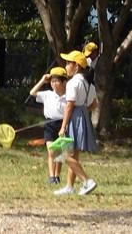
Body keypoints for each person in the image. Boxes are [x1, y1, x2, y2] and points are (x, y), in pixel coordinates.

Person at [54, 50, 98, 196]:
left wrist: (63, 125)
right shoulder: (89, 84)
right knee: (74, 154)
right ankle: (69, 186)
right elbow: (94, 104)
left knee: (66, 154)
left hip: (74, 117)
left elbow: (69, 105)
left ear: (77, 66)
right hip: (83, 116)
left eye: (68, 63)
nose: (66, 66)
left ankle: (87, 181)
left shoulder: (73, 83)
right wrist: (83, 110)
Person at [29, 67, 68, 185]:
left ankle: (57, 176)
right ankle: (51, 177)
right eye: (52, 81)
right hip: (49, 124)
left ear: (64, 82)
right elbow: (32, 93)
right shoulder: (47, 94)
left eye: (56, 81)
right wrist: (42, 80)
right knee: (51, 151)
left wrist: (65, 126)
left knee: (60, 153)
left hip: (62, 125)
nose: (53, 84)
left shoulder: (68, 97)